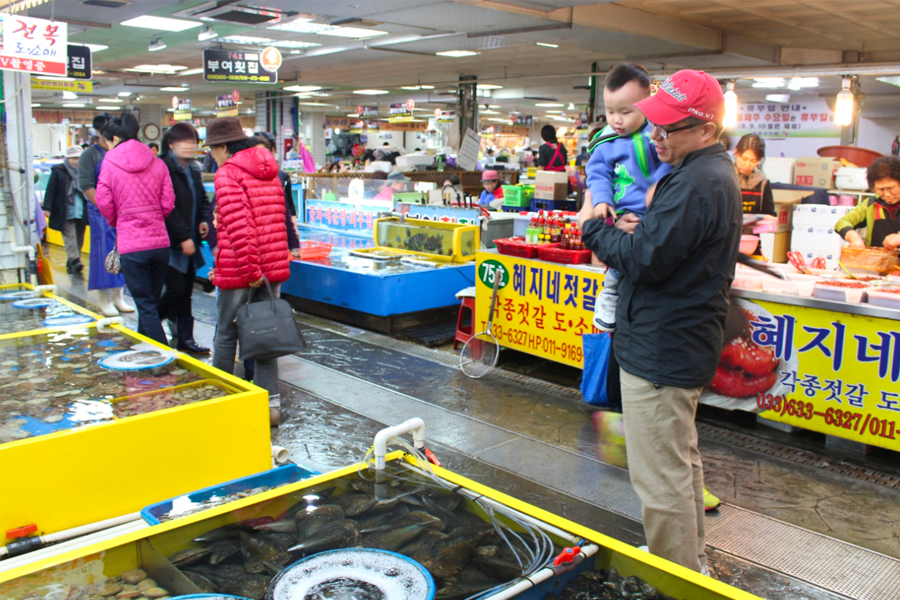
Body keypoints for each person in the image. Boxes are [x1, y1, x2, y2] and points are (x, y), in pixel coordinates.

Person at [579, 69, 741, 573]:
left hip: (663, 347)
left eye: (667, 128)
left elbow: (648, 260)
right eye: (655, 124)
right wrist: (638, 230)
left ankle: (676, 578)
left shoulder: (697, 181)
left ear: (707, 130)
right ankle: (688, 561)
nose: (655, 136)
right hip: (675, 341)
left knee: (659, 475)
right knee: (679, 462)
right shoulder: (702, 174)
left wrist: (595, 230)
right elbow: (664, 247)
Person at [206, 117, 291, 427]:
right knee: (267, 339)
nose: (211, 155)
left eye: (213, 149)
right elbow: (276, 220)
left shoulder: (228, 173)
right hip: (272, 267)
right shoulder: (270, 171)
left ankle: (225, 401)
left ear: (225, 146)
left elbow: (239, 226)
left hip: (242, 268)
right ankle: (271, 409)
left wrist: (250, 268)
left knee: (226, 334)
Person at [586, 63, 671, 333]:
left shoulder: (656, 135)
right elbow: (596, 173)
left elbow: (670, 163)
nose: (616, 120)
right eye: (610, 111)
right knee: (620, 258)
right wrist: (600, 199)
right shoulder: (606, 141)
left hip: (653, 214)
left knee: (647, 259)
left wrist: (658, 184)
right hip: (620, 215)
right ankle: (610, 294)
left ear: (647, 105)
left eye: (626, 111)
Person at [95, 113, 175, 346]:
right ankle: (144, 349)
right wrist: (154, 218)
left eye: (108, 141)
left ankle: (164, 358)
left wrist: (117, 221)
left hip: (132, 246)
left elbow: (103, 201)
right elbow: (168, 201)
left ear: (115, 138)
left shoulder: (108, 163)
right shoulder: (157, 162)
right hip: (160, 244)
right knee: (150, 301)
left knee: (145, 305)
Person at [157, 123, 211, 354]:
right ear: (171, 144)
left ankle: (185, 338)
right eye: (184, 143)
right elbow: (166, 208)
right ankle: (148, 326)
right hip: (168, 243)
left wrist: (203, 219)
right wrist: (181, 238)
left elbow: (202, 198)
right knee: (176, 290)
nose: (190, 147)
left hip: (190, 240)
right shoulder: (162, 168)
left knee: (186, 291)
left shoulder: (194, 169)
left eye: (193, 143)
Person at [77, 112, 133, 317]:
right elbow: (85, 184)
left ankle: (119, 296)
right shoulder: (89, 155)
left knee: (124, 252)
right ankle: (104, 299)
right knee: (104, 252)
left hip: (123, 211)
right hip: (101, 213)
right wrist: (104, 206)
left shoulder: (121, 152)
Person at [250, 132, 301, 253]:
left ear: (271, 150)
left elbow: (289, 207)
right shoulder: (245, 176)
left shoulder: (282, 176)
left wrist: (294, 234)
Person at [836, 156, 900, 250]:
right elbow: (842, 222)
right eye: (880, 189)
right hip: (877, 262)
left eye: (891, 188)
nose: (886, 194)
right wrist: (854, 238)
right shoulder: (871, 204)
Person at [43, 146, 89, 274]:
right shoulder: (58, 171)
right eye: (74, 158)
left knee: (80, 237)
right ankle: (75, 260)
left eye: (79, 158)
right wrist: (47, 207)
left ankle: (72, 261)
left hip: (81, 208)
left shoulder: (85, 171)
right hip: (64, 209)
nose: (76, 161)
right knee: (70, 236)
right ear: (67, 159)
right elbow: (51, 190)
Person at [733, 134, 775, 215]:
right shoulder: (725, 179)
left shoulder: (762, 182)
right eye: (744, 159)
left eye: (753, 161)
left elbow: (770, 213)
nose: (747, 165)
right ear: (736, 152)